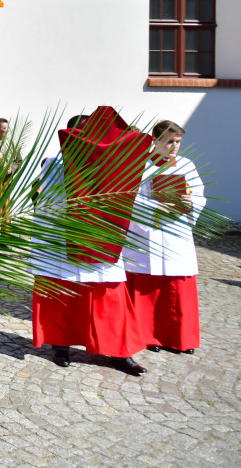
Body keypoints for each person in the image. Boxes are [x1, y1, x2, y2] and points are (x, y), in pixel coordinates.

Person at [30, 110, 149, 376]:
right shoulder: (54, 165)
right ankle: (60, 345)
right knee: (63, 298)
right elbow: (45, 205)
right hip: (62, 245)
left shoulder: (113, 166)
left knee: (111, 300)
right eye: (83, 134)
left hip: (102, 243)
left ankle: (120, 352)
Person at [123, 120, 205, 354]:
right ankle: (149, 336)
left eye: (178, 141)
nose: (174, 146)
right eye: (169, 141)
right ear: (155, 140)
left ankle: (180, 338)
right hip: (148, 233)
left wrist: (192, 202)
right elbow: (130, 198)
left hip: (176, 233)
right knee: (148, 286)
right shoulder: (140, 166)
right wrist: (155, 208)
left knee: (177, 285)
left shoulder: (187, 165)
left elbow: (199, 194)